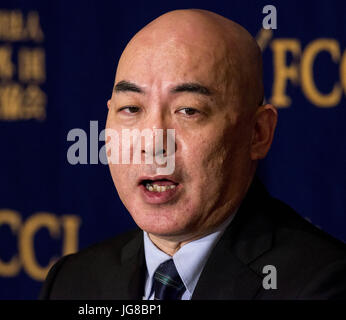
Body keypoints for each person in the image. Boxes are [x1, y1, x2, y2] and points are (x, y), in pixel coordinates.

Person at [40, 9, 346, 299]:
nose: (154, 143)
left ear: (258, 133)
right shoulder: (73, 282)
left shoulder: (320, 285)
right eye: (131, 109)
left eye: (188, 110)